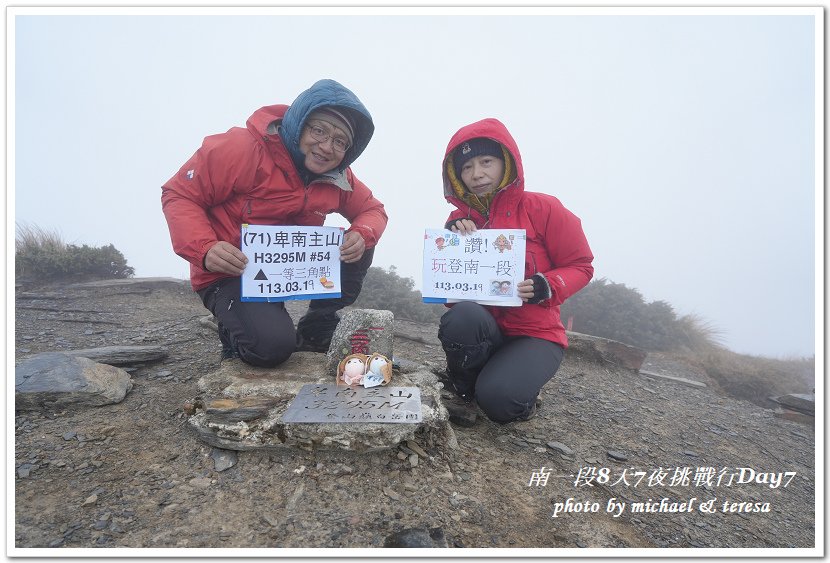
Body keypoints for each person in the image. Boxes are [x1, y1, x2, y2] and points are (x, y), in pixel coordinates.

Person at [161, 79, 387, 366]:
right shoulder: (242, 148)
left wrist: (363, 232)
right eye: (319, 130)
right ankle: (233, 332)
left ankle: (317, 326)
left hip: (284, 275)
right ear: (298, 123)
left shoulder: (338, 177)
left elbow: (373, 210)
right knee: (272, 349)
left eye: (340, 141)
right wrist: (205, 249)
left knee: (360, 242)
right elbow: (179, 194)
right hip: (229, 272)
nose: (327, 146)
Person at [437, 118, 594, 426]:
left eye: (486, 161)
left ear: (506, 162)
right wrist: (452, 241)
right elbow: (455, 303)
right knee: (464, 316)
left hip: (536, 336)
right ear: (456, 176)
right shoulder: (458, 220)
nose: (477, 174)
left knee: (500, 402)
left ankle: (516, 395)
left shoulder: (544, 208)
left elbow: (581, 265)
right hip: (486, 331)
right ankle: (464, 391)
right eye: (466, 167)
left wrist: (548, 284)